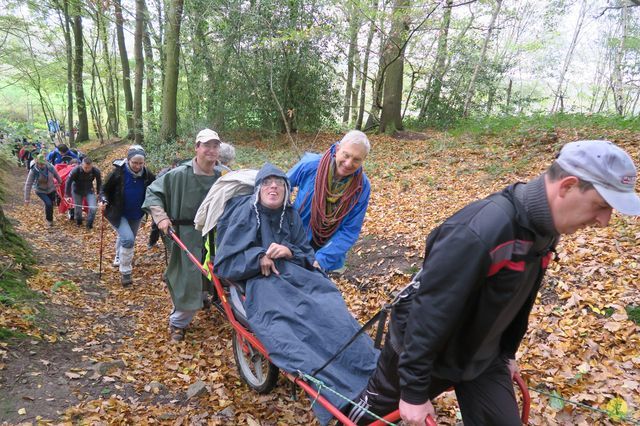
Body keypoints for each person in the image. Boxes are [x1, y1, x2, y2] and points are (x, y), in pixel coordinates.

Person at [345, 140, 640, 426]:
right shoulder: (480, 232)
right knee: (364, 420)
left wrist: (507, 353)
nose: (605, 221)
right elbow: (429, 312)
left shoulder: (546, 229)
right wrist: (412, 391)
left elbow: (520, 297)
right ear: (567, 186)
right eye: (600, 206)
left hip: (481, 355)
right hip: (425, 353)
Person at [214, 163, 379, 425]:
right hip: (263, 285)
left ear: (286, 189)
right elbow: (224, 264)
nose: (273, 187)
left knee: (332, 313)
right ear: (258, 189)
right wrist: (257, 258)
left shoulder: (289, 215)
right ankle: (341, 397)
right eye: (267, 182)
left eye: (279, 183)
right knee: (296, 331)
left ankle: (376, 375)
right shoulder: (244, 215)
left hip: (299, 278)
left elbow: (305, 251)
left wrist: (290, 252)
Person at [142, 128, 222, 341]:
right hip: (185, 233)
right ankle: (178, 322)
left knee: (213, 270)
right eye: (207, 145)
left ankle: (203, 297)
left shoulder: (223, 175)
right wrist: (161, 217)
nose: (211, 150)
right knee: (187, 277)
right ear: (197, 147)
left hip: (215, 234)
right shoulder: (178, 175)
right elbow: (153, 193)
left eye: (215, 146)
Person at [288, 130, 371, 272]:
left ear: (363, 160)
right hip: (293, 239)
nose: (348, 163)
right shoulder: (311, 165)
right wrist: (284, 220)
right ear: (338, 149)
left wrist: (322, 259)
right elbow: (282, 186)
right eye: (346, 155)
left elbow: (350, 230)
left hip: (326, 248)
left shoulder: (362, 187)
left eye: (356, 160)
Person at [100, 145, 155, 286]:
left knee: (127, 237)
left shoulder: (147, 174)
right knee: (128, 239)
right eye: (134, 163)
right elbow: (104, 190)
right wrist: (103, 200)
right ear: (128, 160)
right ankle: (125, 272)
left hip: (136, 213)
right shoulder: (118, 173)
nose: (137, 166)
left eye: (140, 163)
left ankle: (119, 255)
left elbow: (156, 188)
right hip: (117, 212)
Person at [147, 157, 181, 248]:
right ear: (173, 166)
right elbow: (156, 187)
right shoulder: (164, 174)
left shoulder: (181, 175)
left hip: (174, 202)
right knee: (156, 223)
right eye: (176, 167)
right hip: (162, 201)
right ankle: (152, 242)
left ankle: (173, 243)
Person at [24, 154, 62, 227]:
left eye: (43, 164)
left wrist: (60, 182)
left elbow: (56, 175)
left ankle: (48, 211)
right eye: (40, 164)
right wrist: (27, 199)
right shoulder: (34, 170)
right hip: (40, 191)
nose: (42, 165)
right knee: (48, 204)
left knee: (51, 204)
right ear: (37, 163)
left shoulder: (50, 167)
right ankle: (49, 220)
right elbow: (28, 184)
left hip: (51, 189)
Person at [65, 157, 102, 229]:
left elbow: (99, 183)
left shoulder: (95, 171)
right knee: (78, 209)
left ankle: (89, 224)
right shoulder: (75, 170)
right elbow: (68, 182)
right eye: (85, 167)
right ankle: (79, 222)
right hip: (77, 190)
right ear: (81, 165)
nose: (87, 169)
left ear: (92, 166)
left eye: (89, 168)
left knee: (93, 208)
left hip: (89, 190)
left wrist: (98, 193)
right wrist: (67, 195)